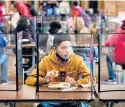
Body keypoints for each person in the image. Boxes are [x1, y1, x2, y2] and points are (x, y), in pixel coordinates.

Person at [25, 34, 94, 107]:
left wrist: (76, 83)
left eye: (69, 47)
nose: (67, 51)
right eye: (63, 48)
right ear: (55, 49)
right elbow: (29, 80)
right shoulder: (46, 60)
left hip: (71, 98)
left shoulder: (77, 60)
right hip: (51, 98)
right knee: (42, 106)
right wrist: (44, 80)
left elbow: (91, 79)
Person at [104, 20, 125, 84]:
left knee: (108, 57)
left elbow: (107, 43)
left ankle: (112, 77)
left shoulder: (118, 32)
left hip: (118, 58)